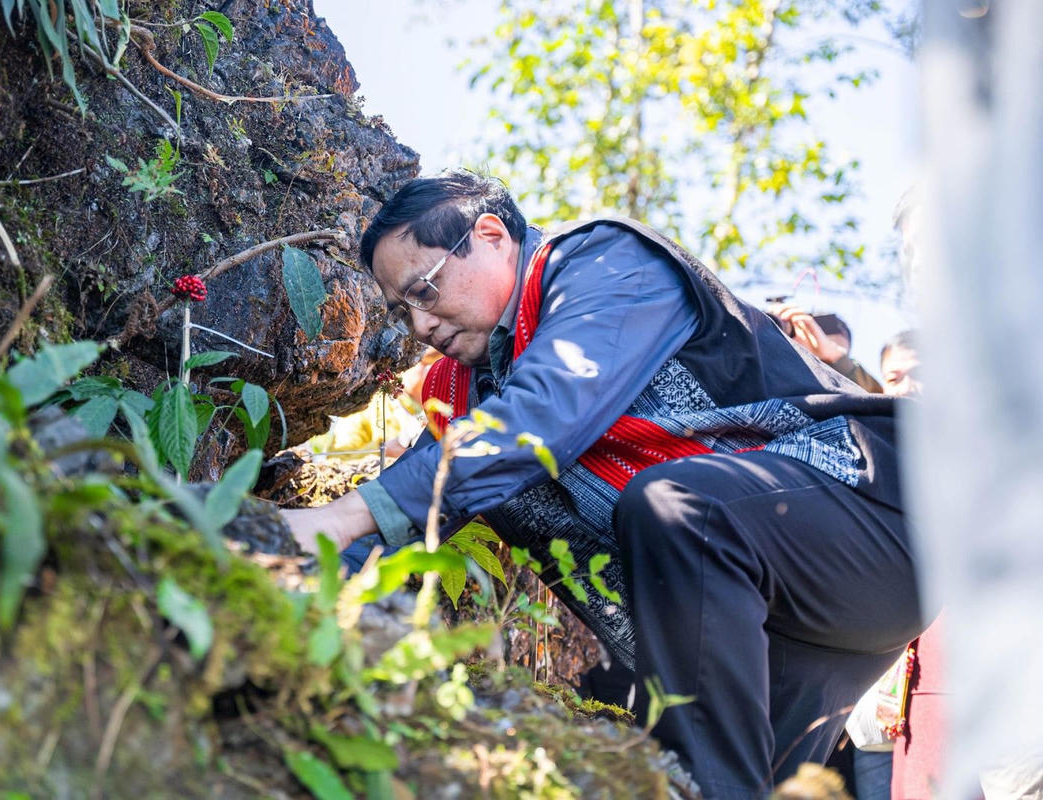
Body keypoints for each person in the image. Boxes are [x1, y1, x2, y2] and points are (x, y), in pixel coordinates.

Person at [280, 171, 924, 797]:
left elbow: (544, 411)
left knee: (678, 508)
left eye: (424, 289)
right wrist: (278, 561)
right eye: (402, 311)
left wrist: (338, 517)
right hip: (774, 616)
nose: (420, 326)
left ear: (491, 234)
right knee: (700, 779)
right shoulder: (469, 397)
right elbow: (416, 501)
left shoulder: (605, 263)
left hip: (878, 509)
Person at [770, 303, 884, 393]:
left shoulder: (866, 383)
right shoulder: (780, 371)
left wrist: (837, 359)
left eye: (825, 326)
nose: (818, 336)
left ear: (845, 337)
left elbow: (878, 401)